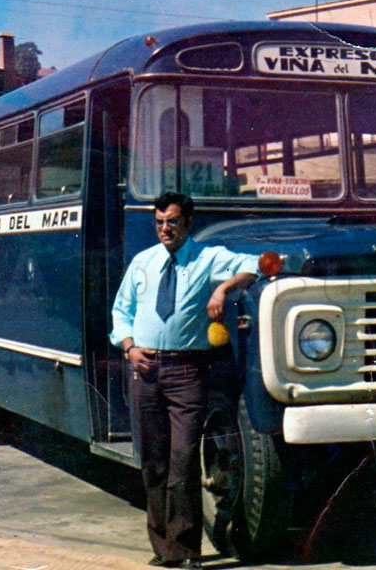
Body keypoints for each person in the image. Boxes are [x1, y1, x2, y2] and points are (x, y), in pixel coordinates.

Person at [111, 191, 259, 568]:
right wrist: (129, 347)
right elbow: (121, 310)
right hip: (144, 370)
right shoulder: (142, 263)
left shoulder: (208, 258)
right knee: (153, 462)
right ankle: (163, 550)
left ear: (188, 223)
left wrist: (223, 287)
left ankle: (187, 550)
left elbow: (254, 264)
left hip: (187, 371)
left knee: (184, 458)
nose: (165, 229)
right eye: (160, 222)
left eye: (172, 222)